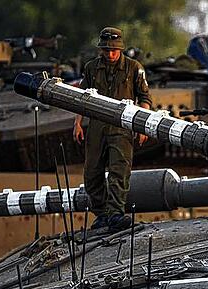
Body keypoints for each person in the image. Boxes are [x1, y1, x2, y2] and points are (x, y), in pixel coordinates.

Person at [73, 27, 152, 232]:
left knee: (119, 171)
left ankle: (115, 213)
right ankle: (102, 214)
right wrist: (77, 122)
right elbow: (82, 97)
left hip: (122, 125)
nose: (110, 54)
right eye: (106, 50)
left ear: (120, 49)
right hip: (96, 126)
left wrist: (141, 125)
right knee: (92, 174)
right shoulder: (92, 68)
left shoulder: (134, 68)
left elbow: (144, 98)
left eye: (114, 50)